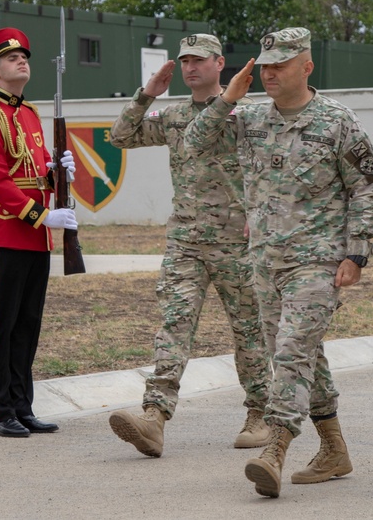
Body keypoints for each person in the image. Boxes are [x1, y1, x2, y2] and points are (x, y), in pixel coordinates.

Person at [185, 28, 373, 498]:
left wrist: (357, 253)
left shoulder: (337, 121)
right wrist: (228, 96)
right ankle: (334, 449)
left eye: (280, 65)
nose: (270, 73)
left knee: (292, 353)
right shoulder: (250, 119)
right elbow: (194, 144)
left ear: (306, 67)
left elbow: (366, 188)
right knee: (298, 355)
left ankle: (275, 447)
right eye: (265, 65)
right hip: (266, 262)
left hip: (318, 261)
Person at [107, 34, 272, 458]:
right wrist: (146, 94)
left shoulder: (247, 114)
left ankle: (260, 414)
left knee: (249, 330)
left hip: (236, 242)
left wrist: (263, 216)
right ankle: (154, 418)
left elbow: (272, 169)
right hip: (186, 241)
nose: (190, 67)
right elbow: (120, 137)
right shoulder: (174, 115)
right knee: (175, 326)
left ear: (221, 64)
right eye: (184, 61)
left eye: (199, 60)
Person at [0, 27, 79, 438]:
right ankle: (0, 411)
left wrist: (57, 174)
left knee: (28, 324)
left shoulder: (29, 113)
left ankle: (22, 405)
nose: (22, 62)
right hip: (7, 233)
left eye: (24, 57)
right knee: (4, 325)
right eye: (12, 59)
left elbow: (35, 173)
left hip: (35, 236)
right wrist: (41, 215)